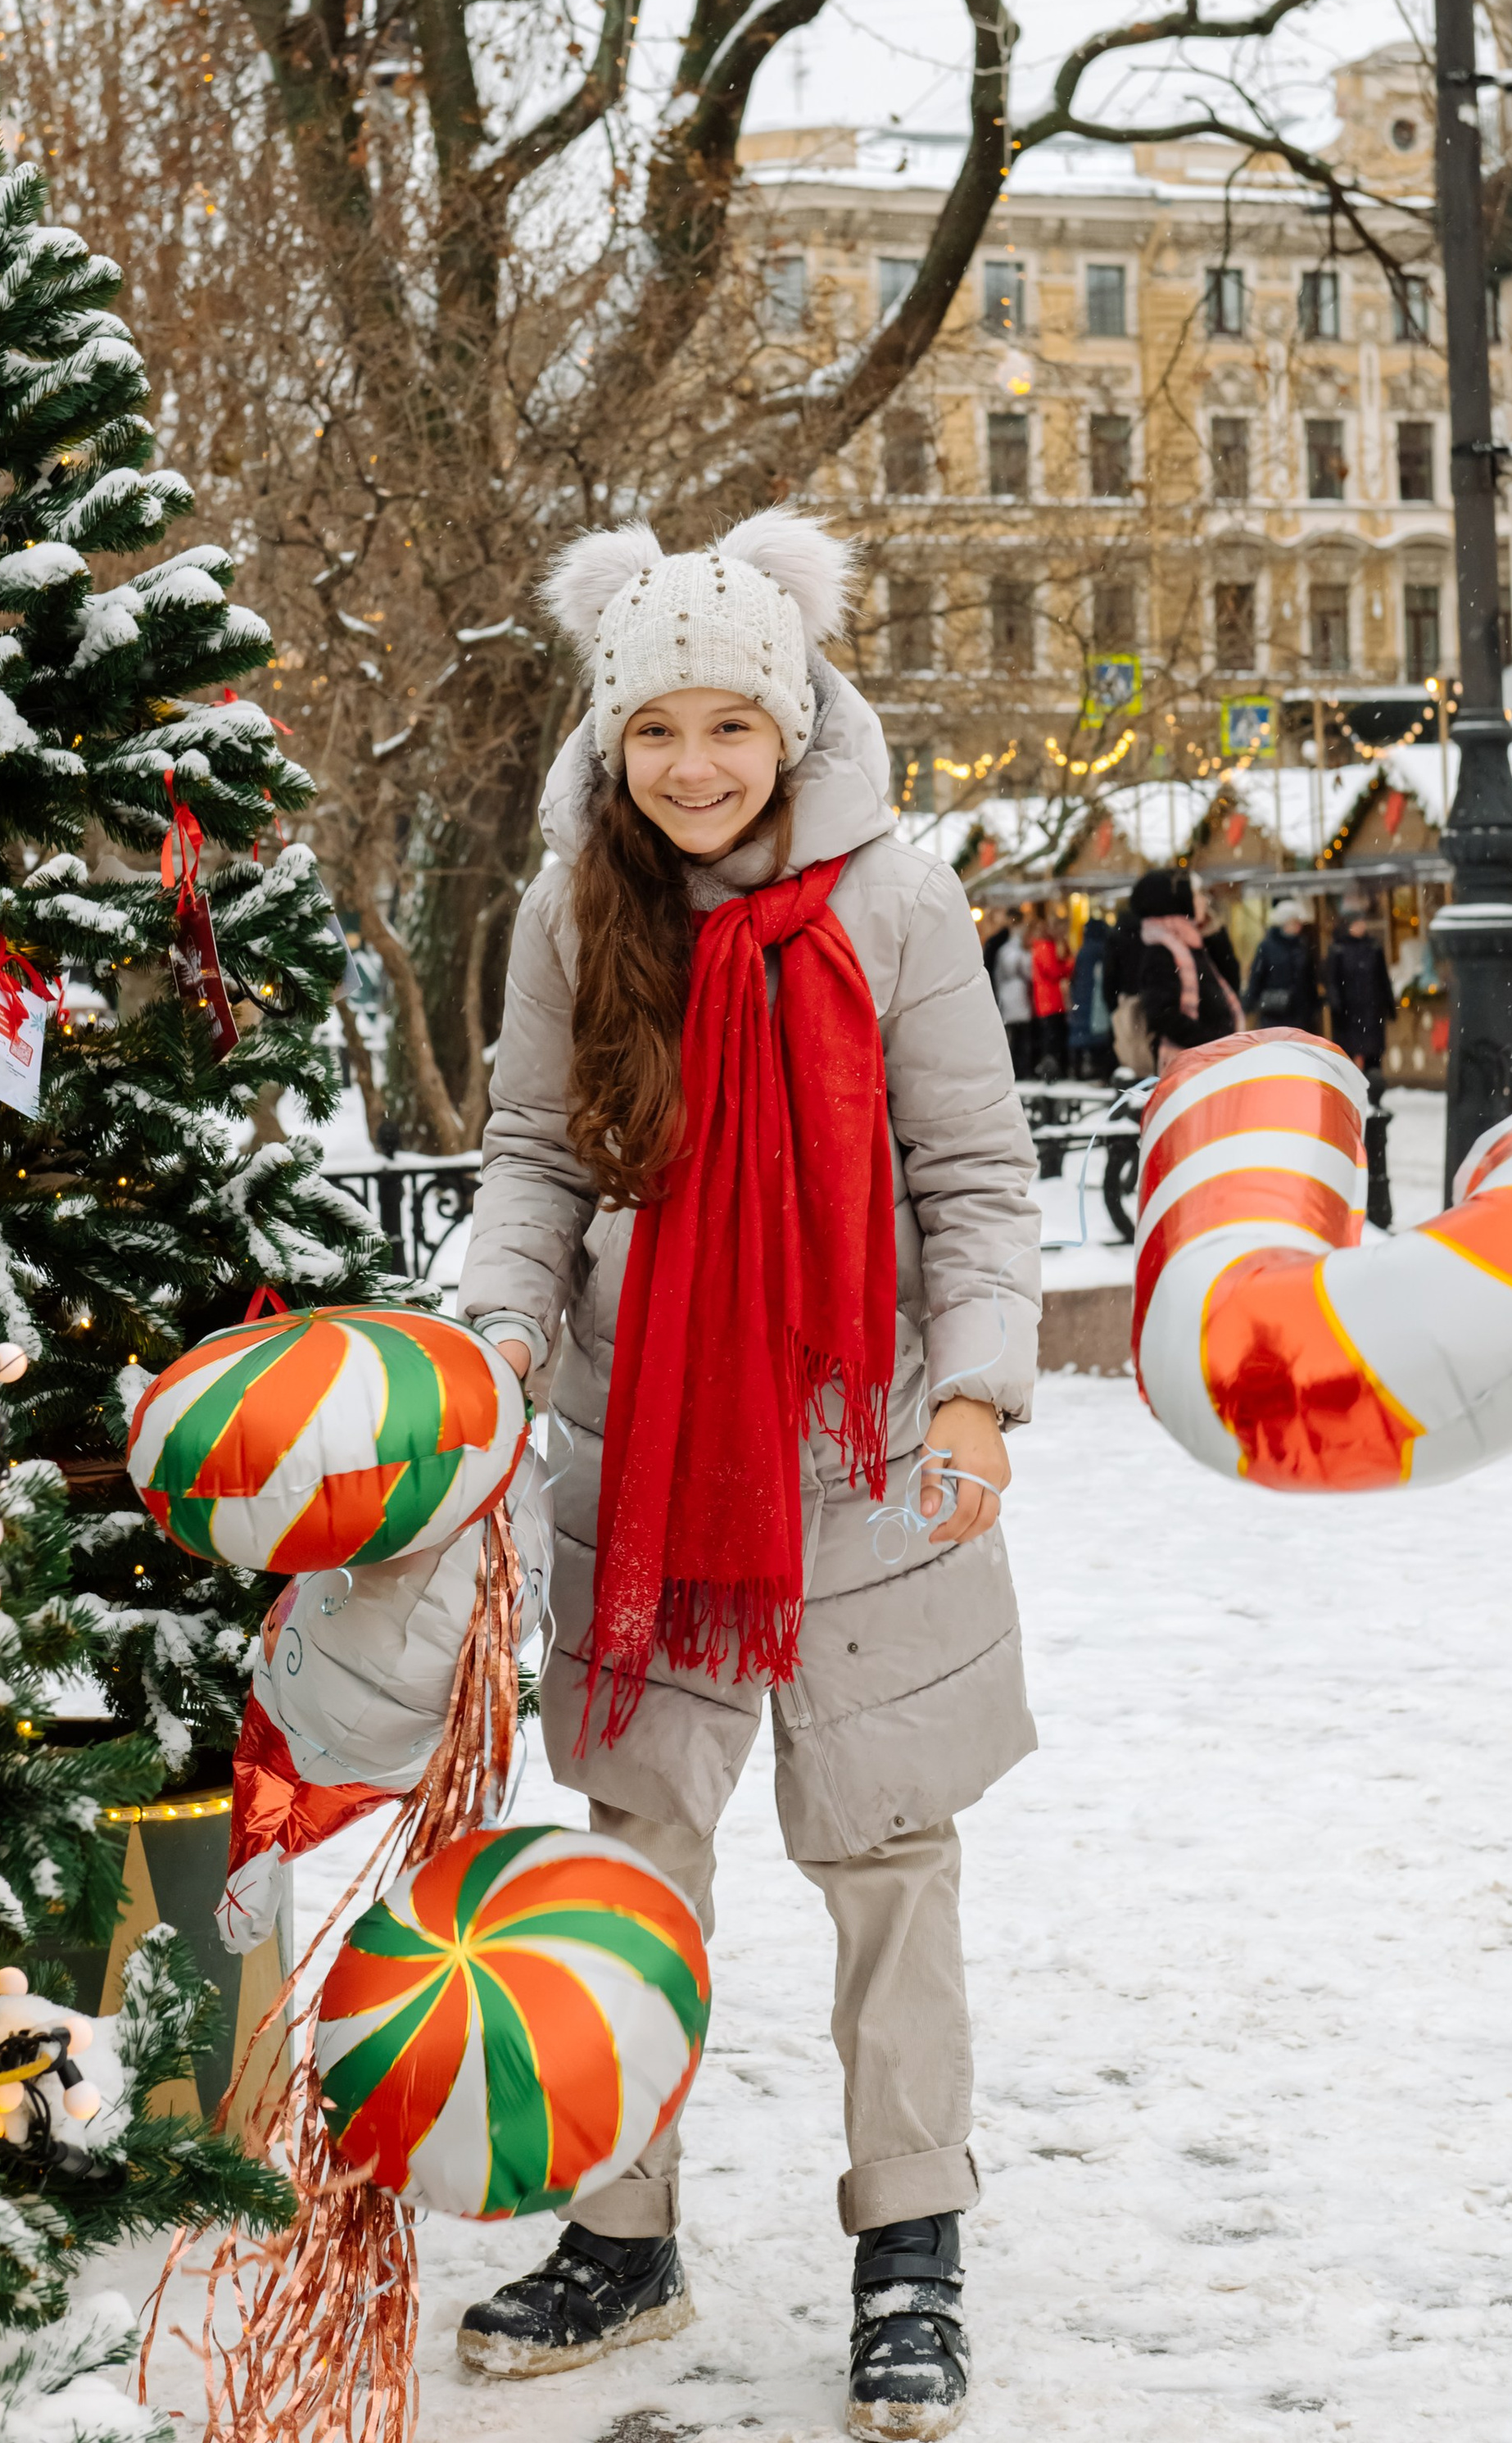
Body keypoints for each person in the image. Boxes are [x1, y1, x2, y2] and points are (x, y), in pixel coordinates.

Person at [455, 511, 1042, 2441]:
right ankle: (619, 2232)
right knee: (635, 1849)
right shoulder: (567, 911)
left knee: (884, 1859)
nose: (694, 764)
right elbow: (534, 1158)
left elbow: (965, 1175)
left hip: (858, 1447)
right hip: (644, 1463)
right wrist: (502, 1345)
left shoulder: (893, 901)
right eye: (654, 732)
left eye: (729, 723)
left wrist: (970, 1394)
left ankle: (908, 2243)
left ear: (789, 718)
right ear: (609, 741)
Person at [1128, 863, 1245, 1071]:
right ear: (1180, 901)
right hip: (1192, 1065)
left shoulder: (1191, 942)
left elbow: (1231, 981)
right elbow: (1163, 1014)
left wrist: (1215, 933)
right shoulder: (1161, 950)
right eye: (1197, 894)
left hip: (1212, 1061)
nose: (1203, 901)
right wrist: (1210, 1042)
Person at [1324, 896, 1395, 1076]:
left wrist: (1389, 1005)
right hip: (1349, 1011)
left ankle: (1375, 1091)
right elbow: (1332, 980)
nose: (1362, 926)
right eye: (1358, 923)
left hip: (1371, 1008)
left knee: (1374, 1053)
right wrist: (1337, 1004)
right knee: (1350, 1054)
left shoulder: (1373, 947)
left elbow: (1382, 977)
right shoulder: (1338, 950)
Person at [1244, 897, 1322, 1031]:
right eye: (1294, 922)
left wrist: (1314, 1004)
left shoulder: (1302, 946)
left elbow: (1310, 977)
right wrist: (1250, 1000)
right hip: (1274, 1011)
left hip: (1299, 1012)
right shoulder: (1267, 946)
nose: (1298, 926)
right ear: (1284, 923)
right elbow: (1257, 975)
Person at [1068, 908, 1116, 1078]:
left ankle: (1079, 1070)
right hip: (1096, 1001)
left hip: (1083, 999)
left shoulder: (1083, 950)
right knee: (1098, 1036)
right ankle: (1100, 1071)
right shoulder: (1102, 950)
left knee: (1082, 1034)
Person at [993, 911, 1035, 1079]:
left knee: (1017, 1038)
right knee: (1020, 1038)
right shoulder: (1012, 951)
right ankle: (1021, 1069)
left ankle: (1019, 1069)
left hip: (1011, 1000)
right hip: (1015, 1000)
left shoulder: (1004, 949)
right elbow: (1023, 969)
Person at [1028, 916, 1071, 1079]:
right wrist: (1070, 965)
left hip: (1047, 1001)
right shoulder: (1045, 947)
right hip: (1051, 1000)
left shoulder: (1040, 947)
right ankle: (1053, 1072)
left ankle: (1052, 1071)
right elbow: (1053, 972)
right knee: (1054, 1039)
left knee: (1052, 1038)